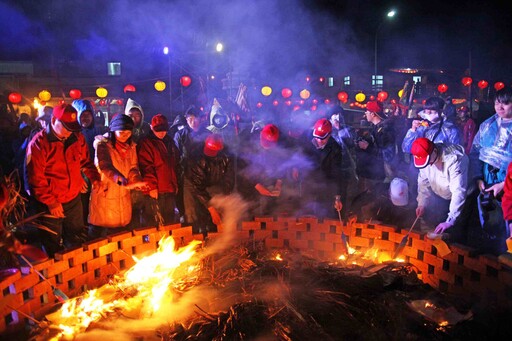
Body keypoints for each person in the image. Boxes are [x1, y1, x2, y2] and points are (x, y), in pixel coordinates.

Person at [25, 104, 101, 256]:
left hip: (73, 199)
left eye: (72, 127)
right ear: (53, 120)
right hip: (49, 203)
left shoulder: (77, 137)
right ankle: (56, 276)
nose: (69, 131)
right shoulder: (39, 144)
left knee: (76, 238)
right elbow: (35, 177)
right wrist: (51, 201)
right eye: (66, 127)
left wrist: (95, 178)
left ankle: (78, 272)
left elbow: (85, 161)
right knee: (52, 242)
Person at [465, 87, 512, 254]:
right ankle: (491, 254)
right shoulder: (487, 125)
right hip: (486, 178)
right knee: (489, 216)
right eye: (497, 103)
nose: (500, 107)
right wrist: (478, 178)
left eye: (505, 103)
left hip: (508, 181)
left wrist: (504, 185)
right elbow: (475, 153)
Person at [88, 114, 147, 238]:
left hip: (123, 197)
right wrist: (121, 181)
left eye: (128, 131)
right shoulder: (103, 145)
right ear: (113, 131)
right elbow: (105, 166)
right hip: (106, 195)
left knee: (120, 238)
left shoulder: (131, 146)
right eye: (121, 132)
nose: (125, 134)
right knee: (102, 239)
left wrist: (136, 180)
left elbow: (133, 167)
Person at [410, 138, 468, 235]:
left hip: (462, 200)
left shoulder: (454, 160)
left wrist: (450, 220)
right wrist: (422, 203)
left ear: (435, 151)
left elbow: (459, 191)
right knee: (432, 229)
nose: (429, 165)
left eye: (429, 162)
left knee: (454, 232)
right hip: (440, 195)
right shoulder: (424, 157)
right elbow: (423, 183)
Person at [183, 134, 234, 234]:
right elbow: (197, 187)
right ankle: (196, 236)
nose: (210, 154)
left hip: (212, 183)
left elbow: (229, 179)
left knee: (216, 211)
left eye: (213, 152)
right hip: (193, 185)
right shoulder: (196, 158)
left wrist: (225, 196)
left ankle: (213, 235)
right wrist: (211, 208)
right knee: (192, 213)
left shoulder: (226, 157)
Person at [137, 114, 179, 226]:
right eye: (158, 130)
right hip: (155, 191)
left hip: (169, 189)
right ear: (151, 127)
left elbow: (174, 166)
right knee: (153, 223)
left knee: (169, 222)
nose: (161, 133)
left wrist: (175, 185)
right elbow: (146, 166)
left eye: (164, 130)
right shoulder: (146, 143)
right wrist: (152, 187)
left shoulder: (170, 142)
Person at [72, 99, 108, 224]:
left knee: (95, 204)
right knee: (80, 207)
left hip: (95, 175)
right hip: (79, 177)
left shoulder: (99, 131)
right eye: (82, 115)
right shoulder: (71, 134)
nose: (85, 118)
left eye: (88, 115)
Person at [302, 118, 344, 218]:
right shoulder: (307, 139)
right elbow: (301, 155)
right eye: (317, 137)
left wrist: (337, 197)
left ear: (329, 135)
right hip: (308, 184)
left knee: (323, 216)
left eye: (323, 138)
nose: (319, 140)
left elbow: (336, 174)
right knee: (306, 215)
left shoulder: (335, 149)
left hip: (325, 186)